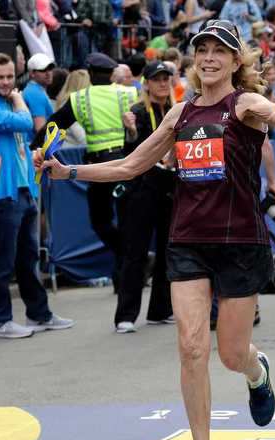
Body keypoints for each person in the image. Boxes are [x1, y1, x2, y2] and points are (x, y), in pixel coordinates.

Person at [39, 19, 275, 440]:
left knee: (230, 355)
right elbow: (131, 164)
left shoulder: (244, 105)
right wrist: (69, 171)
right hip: (187, 240)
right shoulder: (179, 114)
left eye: (219, 51)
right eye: (202, 49)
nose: (209, 57)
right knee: (191, 347)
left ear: (235, 61)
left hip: (240, 242)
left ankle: (257, 370)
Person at [0, 52, 74, 338]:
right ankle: (0, 322)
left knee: (27, 258)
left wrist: (34, 156)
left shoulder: (4, 104)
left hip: (22, 189)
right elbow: (26, 124)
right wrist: (18, 101)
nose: (5, 82)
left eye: (9, 77)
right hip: (0, 193)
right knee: (2, 261)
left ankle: (39, 315)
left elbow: (18, 145)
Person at [32, 53, 139, 292]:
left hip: (98, 168)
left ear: (90, 74)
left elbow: (55, 126)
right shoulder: (129, 93)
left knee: (100, 221)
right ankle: (128, 267)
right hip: (128, 163)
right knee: (126, 221)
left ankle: (124, 267)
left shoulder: (80, 99)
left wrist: (36, 148)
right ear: (112, 74)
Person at [114, 61, 175, 334]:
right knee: (135, 252)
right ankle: (125, 315)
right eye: (157, 79)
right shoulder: (137, 112)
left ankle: (160, 310)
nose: (163, 83)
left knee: (167, 251)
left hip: (169, 188)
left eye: (166, 78)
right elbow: (130, 152)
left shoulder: (176, 111)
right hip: (141, 190)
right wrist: (132, 132)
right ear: (146, 83)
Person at [22, 53, 55, 135]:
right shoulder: (35, 93)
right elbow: (40, 129)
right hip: (36, 146)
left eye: (50, 68)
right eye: (43, 70)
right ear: (32, 73)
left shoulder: (33, 90)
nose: (48, 73)